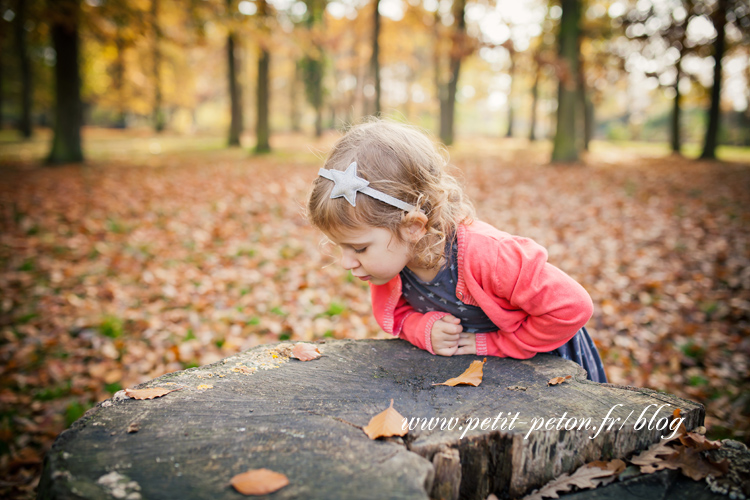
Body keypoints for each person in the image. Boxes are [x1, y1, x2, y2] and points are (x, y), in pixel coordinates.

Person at [306, 119, 607, 383]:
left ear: (412, 226)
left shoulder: (487, 255)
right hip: (484, 377)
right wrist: (424, 329)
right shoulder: (391, 266)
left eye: (358, 248)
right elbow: (396, 317)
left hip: (550, 367)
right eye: (340, 247)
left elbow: (573, 306)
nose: (347, 262)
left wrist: (498, 344)